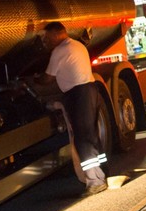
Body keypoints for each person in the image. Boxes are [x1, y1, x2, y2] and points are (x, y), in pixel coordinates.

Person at [36, 21, 108, 196]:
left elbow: (48, 79)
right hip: (90, 90)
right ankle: (102, 174)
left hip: (79, 94)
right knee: (91, 135)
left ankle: (95, 181)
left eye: (46, 37)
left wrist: (34, 80)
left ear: (56, 34)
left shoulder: (59, 51)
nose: (45, 41)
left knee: (82, 138)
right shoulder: (77, 45)